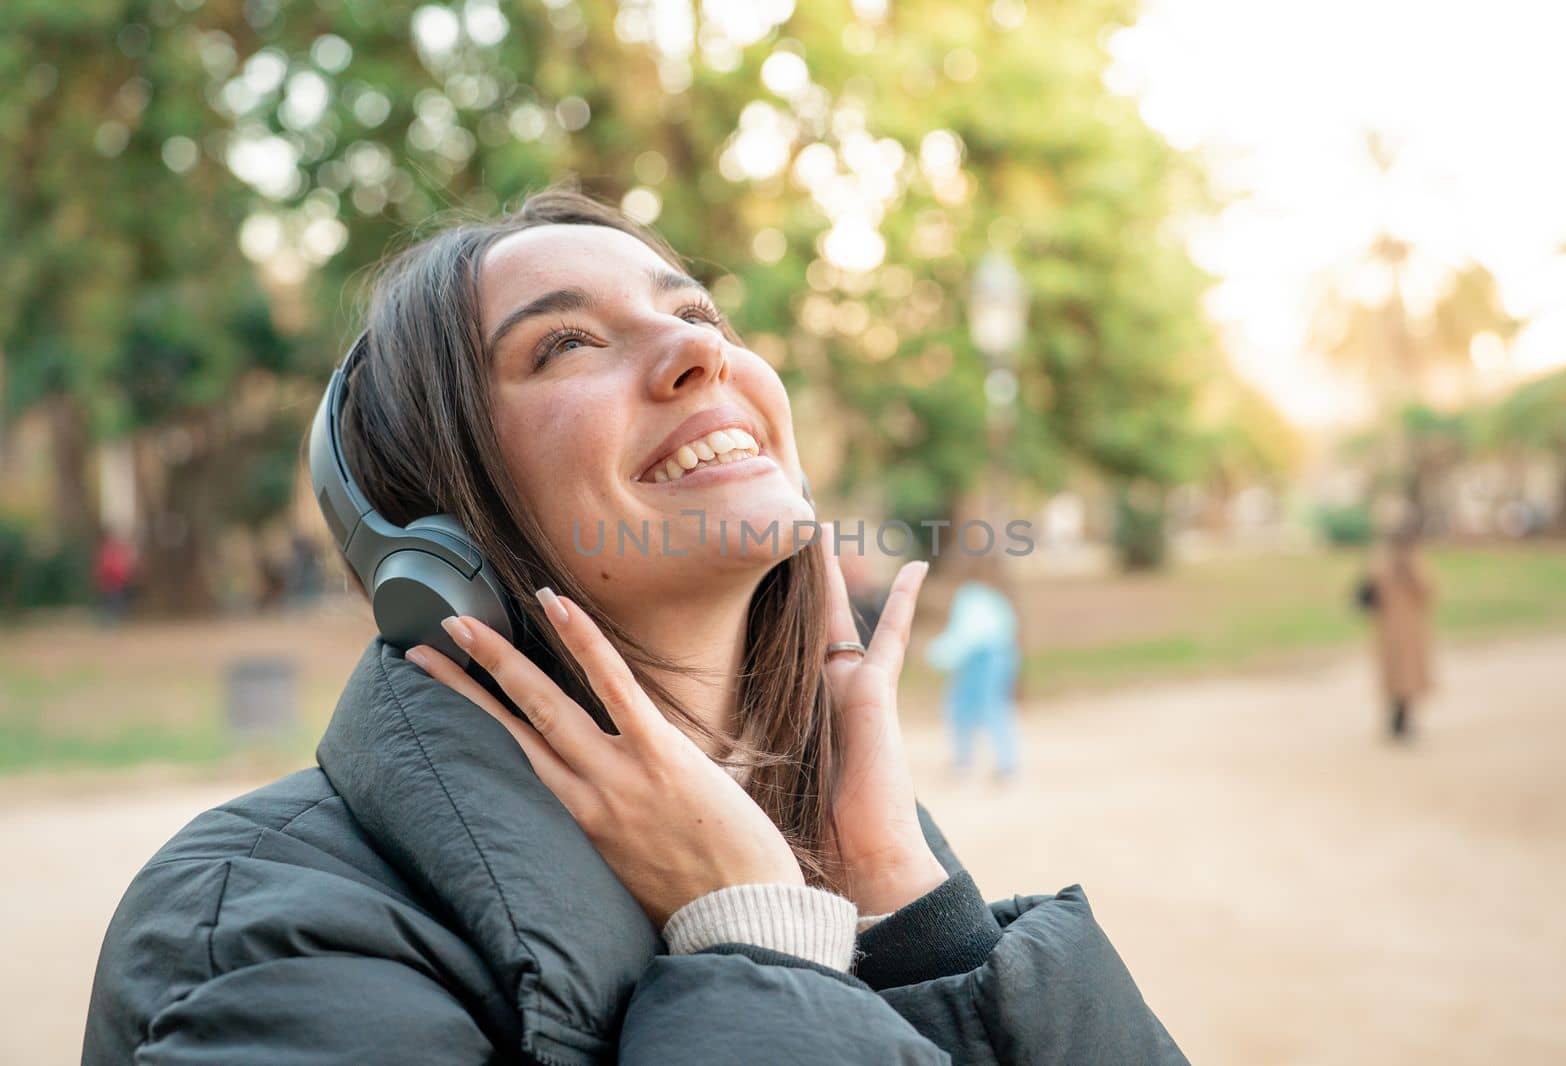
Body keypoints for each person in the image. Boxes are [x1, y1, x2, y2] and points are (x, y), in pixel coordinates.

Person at [84, 187, 1187, 1064]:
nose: (700, 353)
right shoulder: (264, 934)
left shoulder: (857, 852)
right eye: (562, 344)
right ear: (435, 542)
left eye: (696, 314)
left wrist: (912, 913)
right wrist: (757, 941)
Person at [925, 557, 1023, 781]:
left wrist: (939, 655)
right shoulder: (996, 598)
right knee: (992, 707)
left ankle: (967, 760)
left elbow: (965, 635)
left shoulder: (970, 597)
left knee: (963, 707)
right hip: (1000, 656)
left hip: (980, 659)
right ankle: (1004, 762)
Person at [1360, 523, 1437, 741]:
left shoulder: (1412, 563)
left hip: (1407, 628)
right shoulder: (1381, 563)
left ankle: (1403, 719)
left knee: (1407, 677)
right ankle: (1396, 718)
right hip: (1390, 628)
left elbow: (1427, 592)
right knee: (1394, 676)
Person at [90, 532, 136, 626]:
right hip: (109, 582)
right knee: (110, 602)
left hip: (116, 583)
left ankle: (112, 621)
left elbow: (122, 567)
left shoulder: (116, 552)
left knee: (114, 602)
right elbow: (104, 567)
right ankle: (108, 621)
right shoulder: (110, 552)